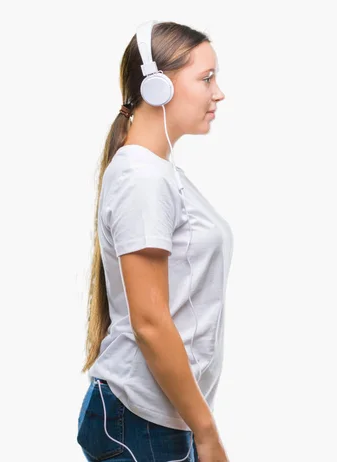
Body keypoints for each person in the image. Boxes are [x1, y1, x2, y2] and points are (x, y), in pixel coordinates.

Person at [77, 20, 232, 462]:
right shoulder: (142, 177)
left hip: (153, 417)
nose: (217, 93)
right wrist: (207, 434)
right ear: (157, 87)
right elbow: (148, 321)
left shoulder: (154, 172)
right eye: (206, 78)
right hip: (140, 421)